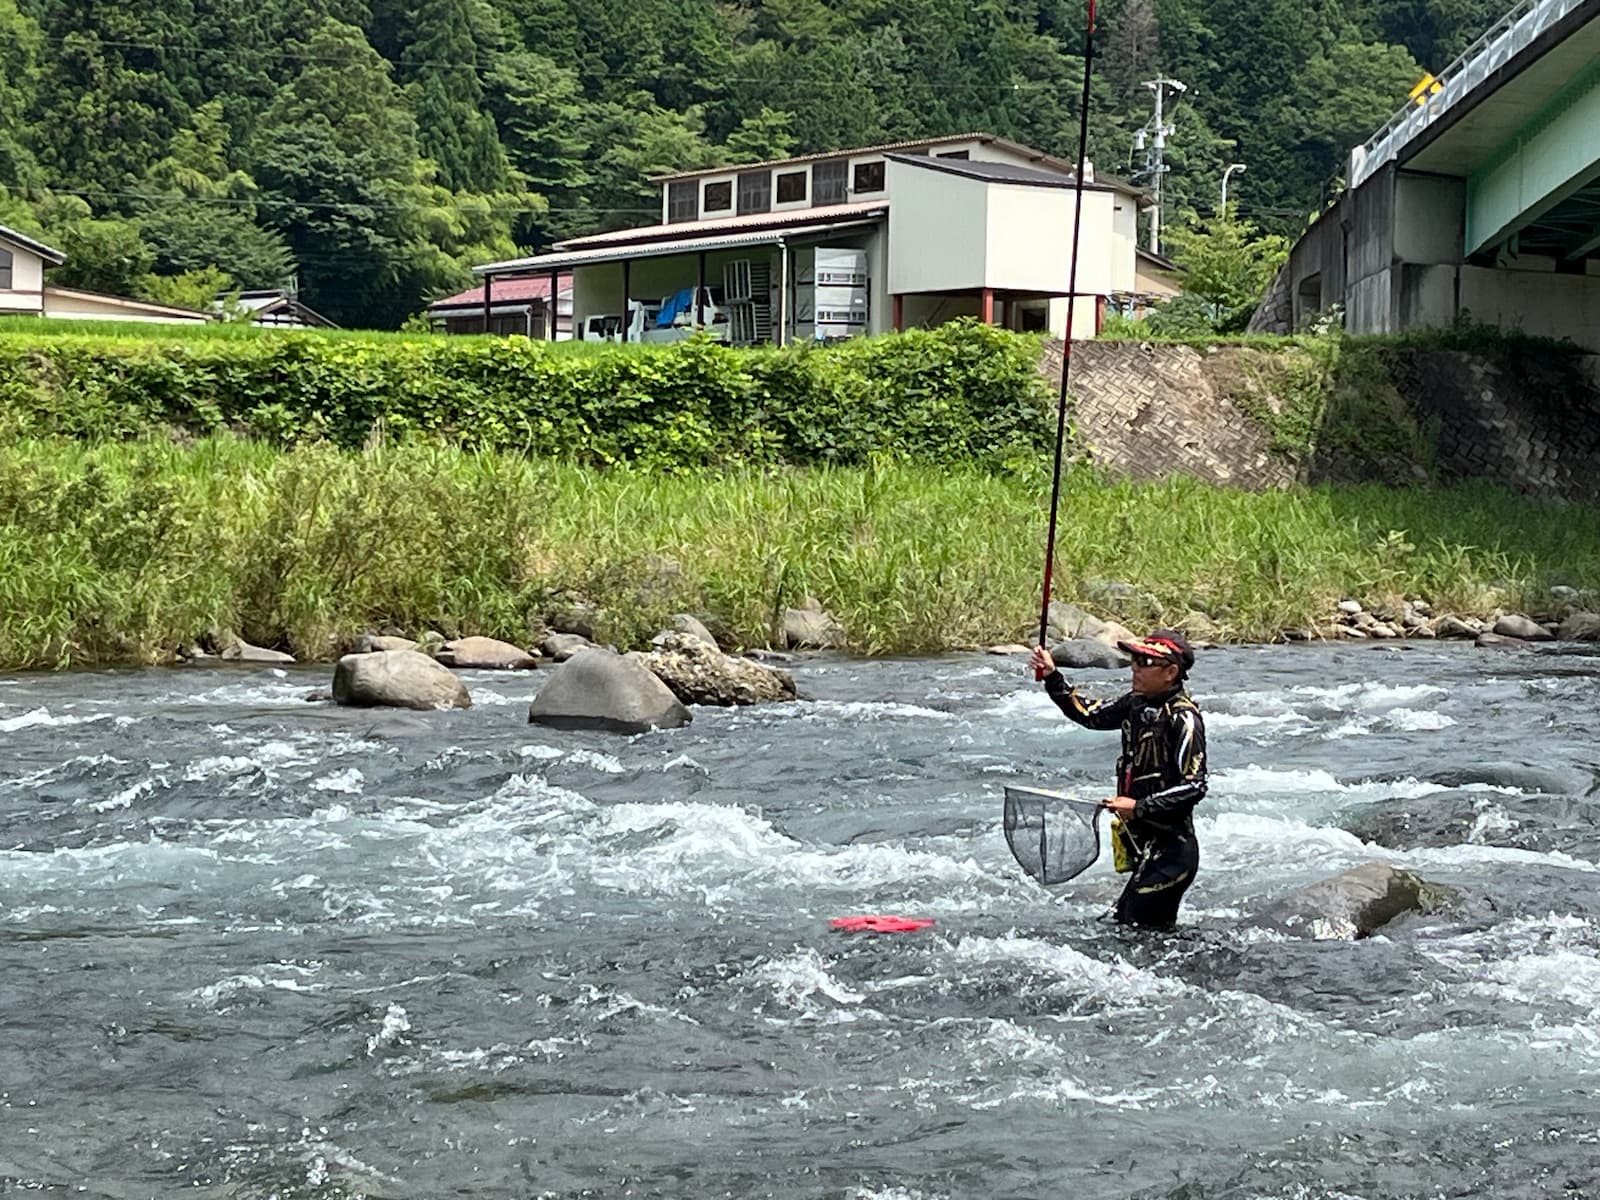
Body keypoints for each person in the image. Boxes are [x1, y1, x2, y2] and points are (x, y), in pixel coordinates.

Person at [1028, 631, 1208, 929]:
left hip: (1174, 854)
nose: (1135, 668)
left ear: (1171, 672)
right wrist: (1052, 676)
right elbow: (1090, 715)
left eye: (1145, 661)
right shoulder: (1135, 704)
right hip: (1144, 846)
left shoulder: (1184, 719)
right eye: (1133, 660)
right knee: (1135, 927)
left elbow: (1195, 786)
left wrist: (1138, 806)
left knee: (1132, 924)